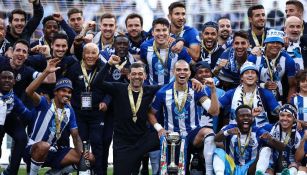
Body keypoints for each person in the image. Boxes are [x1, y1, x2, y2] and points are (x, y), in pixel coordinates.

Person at [148, 60, 219, 174]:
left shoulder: (196, 89)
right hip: (173, 136)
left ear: (190, 73)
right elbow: (150, 113)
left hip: (193, 134)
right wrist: (159, 128)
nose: (182, 72)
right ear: (173, 72)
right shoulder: (163, 92)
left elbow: (214, 112)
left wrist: (213, 90)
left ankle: (209, 172)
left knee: (209, 133)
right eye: (179, 70)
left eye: (185, 70)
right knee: (178, 171)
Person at [25, 58, 94, 175]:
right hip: (33, 149)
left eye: (69, 92)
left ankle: (54, 173)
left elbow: (76, 136)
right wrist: (46, 72)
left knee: (89, 158)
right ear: (55, 92)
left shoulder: (69, 110)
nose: (67, 94)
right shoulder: (45, 103)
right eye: (63, 91)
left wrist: (83, 154)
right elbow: (29, 91)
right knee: (44, 146)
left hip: (54, 150)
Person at [93, 56, 160, 175]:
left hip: (142, 140)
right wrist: (108, 64)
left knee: (171, 139)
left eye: (140, 74)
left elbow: (173, 84)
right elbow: (97, 83)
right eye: (134, 74)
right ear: (128, 76)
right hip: (122, 142)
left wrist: (194, 81)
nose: (137, 77)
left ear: (145, 76)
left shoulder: (150, 90)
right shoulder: (118, 88)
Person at [66, 42, 109, 175]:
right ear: (83, 55)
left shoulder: (103, 68)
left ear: (98, 55)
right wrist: (68, 101)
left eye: (93, 53)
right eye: (88, 53)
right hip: (78, 112)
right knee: (82, 143)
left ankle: (99, 172)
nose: (90, 56)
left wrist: (105, 101)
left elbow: (110, 89)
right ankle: (83, 171)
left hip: (97, 112)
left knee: (97, 142)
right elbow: (67, 86)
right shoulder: (74, 68)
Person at [213, 105, 284, 175]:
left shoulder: (257, 131)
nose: (246, 118)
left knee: (266, 149)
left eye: (248, 115)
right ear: (236, 119)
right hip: (232, 167)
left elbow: (282, 147)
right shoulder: (230, 128)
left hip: (250, 168)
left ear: (252, 118)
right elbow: (216, 139)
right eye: (242, 116)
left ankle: (259, 173)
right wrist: (227, 132)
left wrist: (271, 138)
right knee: (218, 152)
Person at [219, 62, 280, 126]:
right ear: (241, 77)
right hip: (236, 131)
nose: (250, 75)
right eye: (246, 73)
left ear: (257, 77)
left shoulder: (266, 93)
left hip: (260, 132)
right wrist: (211, 92)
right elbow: (214, 109)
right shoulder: (231, 93)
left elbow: (280, 113)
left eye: (253, 73)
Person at [248, 29, 296, 102]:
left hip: (278, 98)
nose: (275, 45)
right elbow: (245, 81)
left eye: (278, 43)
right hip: (255, 96)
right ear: (266, 43)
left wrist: (289, 104)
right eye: (272, 42)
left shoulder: (288, 60)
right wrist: (263, 85)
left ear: (282, 45)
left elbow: (292, 85)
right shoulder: (254, 57)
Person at [140, 18, 191, 86]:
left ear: (169, 31)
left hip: (172, 91)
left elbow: (188, 68)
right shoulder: (145, 47)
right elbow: (143, 62)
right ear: (152, 32)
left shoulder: (178, 48)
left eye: (164, 30)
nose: (161, 33)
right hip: (151, 89)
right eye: (158, 30)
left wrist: (192, 80)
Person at [0, 70, 33, 175]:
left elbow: (28, 115)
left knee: (22, 138)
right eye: (3, 78)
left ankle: (11, 172)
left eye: (9, 78)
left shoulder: (14, 99)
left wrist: (41, 110)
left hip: (9, 120)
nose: (6, 80)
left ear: (14, 81)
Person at [256, 104, 302, 175]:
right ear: (279, 116)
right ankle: (260, 172)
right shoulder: (270, 128)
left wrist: (271, 139)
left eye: (289, 116)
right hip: (271, 164)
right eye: (282, 115)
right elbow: (254, 129)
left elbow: (297, 158)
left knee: (295, 168)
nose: (285, 118)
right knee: (265, 150)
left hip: (289, 165)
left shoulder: (298, 135)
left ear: (294, 118)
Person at [193, 61, 225, 132]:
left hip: (213, 131)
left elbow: (225, 116)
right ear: (195, 76)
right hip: (194, 132)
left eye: (207, 71)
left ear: (211, 74)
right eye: (200, 72)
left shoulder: (221, 92)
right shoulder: (190, 90)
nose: (204, 74)